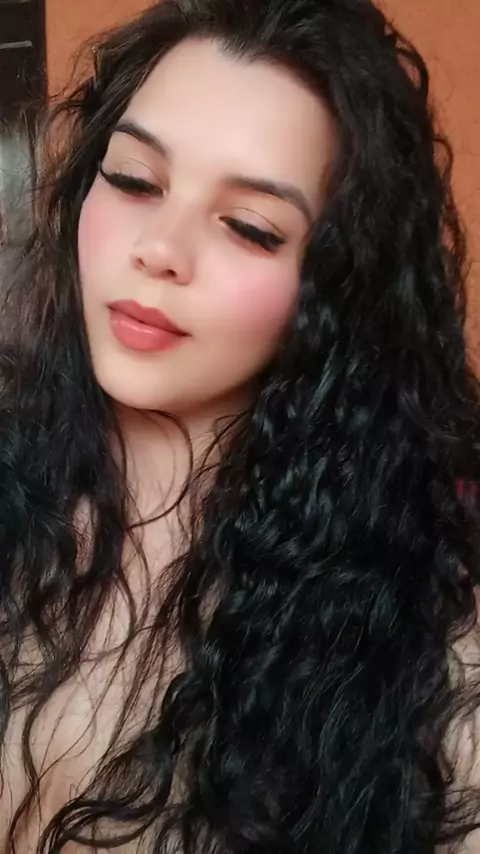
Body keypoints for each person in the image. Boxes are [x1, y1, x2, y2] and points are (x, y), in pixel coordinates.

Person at [1, 0, 479, 850]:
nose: (160, 248)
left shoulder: (430, 647)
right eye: (134, 180)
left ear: (340, 284)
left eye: (251, 228)